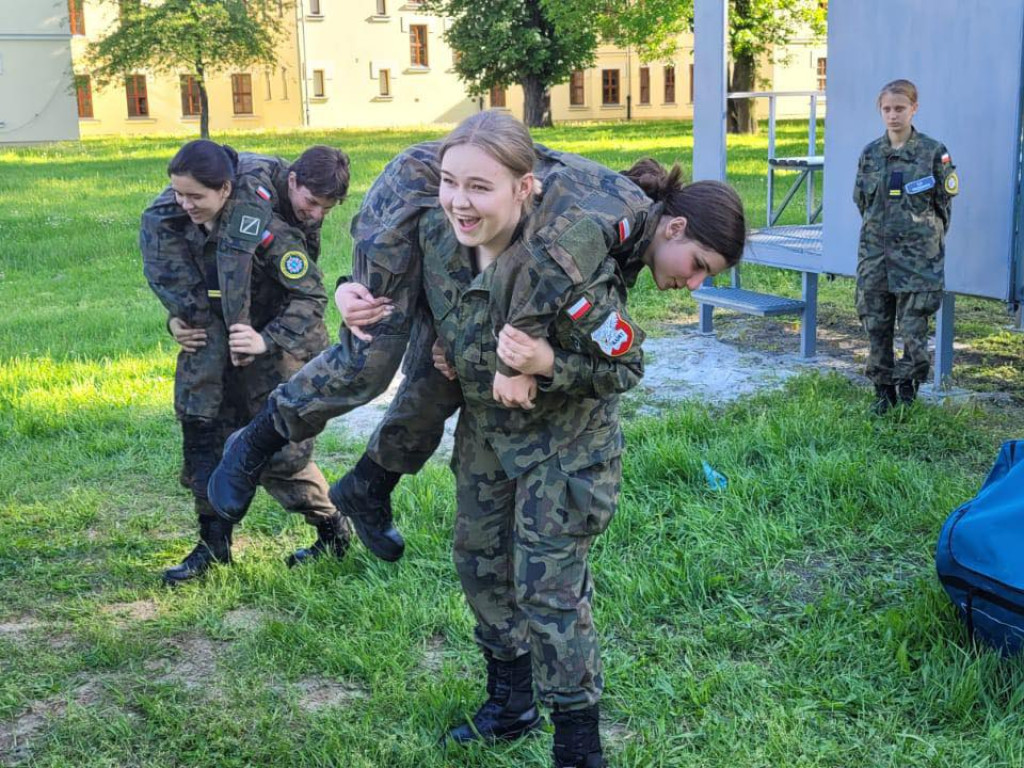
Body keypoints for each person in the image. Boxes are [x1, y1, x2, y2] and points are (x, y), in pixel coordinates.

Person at [206, 129, 747, 566]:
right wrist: (518, 363)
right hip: (421, 190)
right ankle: (253, 444)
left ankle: (369, 485)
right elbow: (544, 273)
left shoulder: (629, 238)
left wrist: (474, 340)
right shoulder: (616, 217)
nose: (695, 283)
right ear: (674, 227)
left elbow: (518, 275)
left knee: (453, 366)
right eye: (699, 265)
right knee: (371, 358)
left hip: (470, 230)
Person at [141, 140, 351, 585]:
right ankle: (213, 547)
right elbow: (194, 282)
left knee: (277, 453)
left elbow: (309, 296)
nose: (185, 204)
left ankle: (334, 529)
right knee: (206, 435)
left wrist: (264, 338)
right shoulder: (181, 214)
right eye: (181, 195)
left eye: (196, 197)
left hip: (278, 343)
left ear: (224, 189)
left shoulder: (265, 227)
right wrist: (177, 319)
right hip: (225, 343)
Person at [854, 78, 958, 414]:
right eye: (887, 109)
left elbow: (944, 205)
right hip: (876, 258)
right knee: (876, 325)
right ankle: (883, 393)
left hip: (917, 261)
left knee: (914, 329)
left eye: (900, 108)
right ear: (879, 111)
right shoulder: (870, 154)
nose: (893, 115)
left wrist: (925, 241)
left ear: (914, 108)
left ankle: (908, 389)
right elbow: (862, 202)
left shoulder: (933, 153)